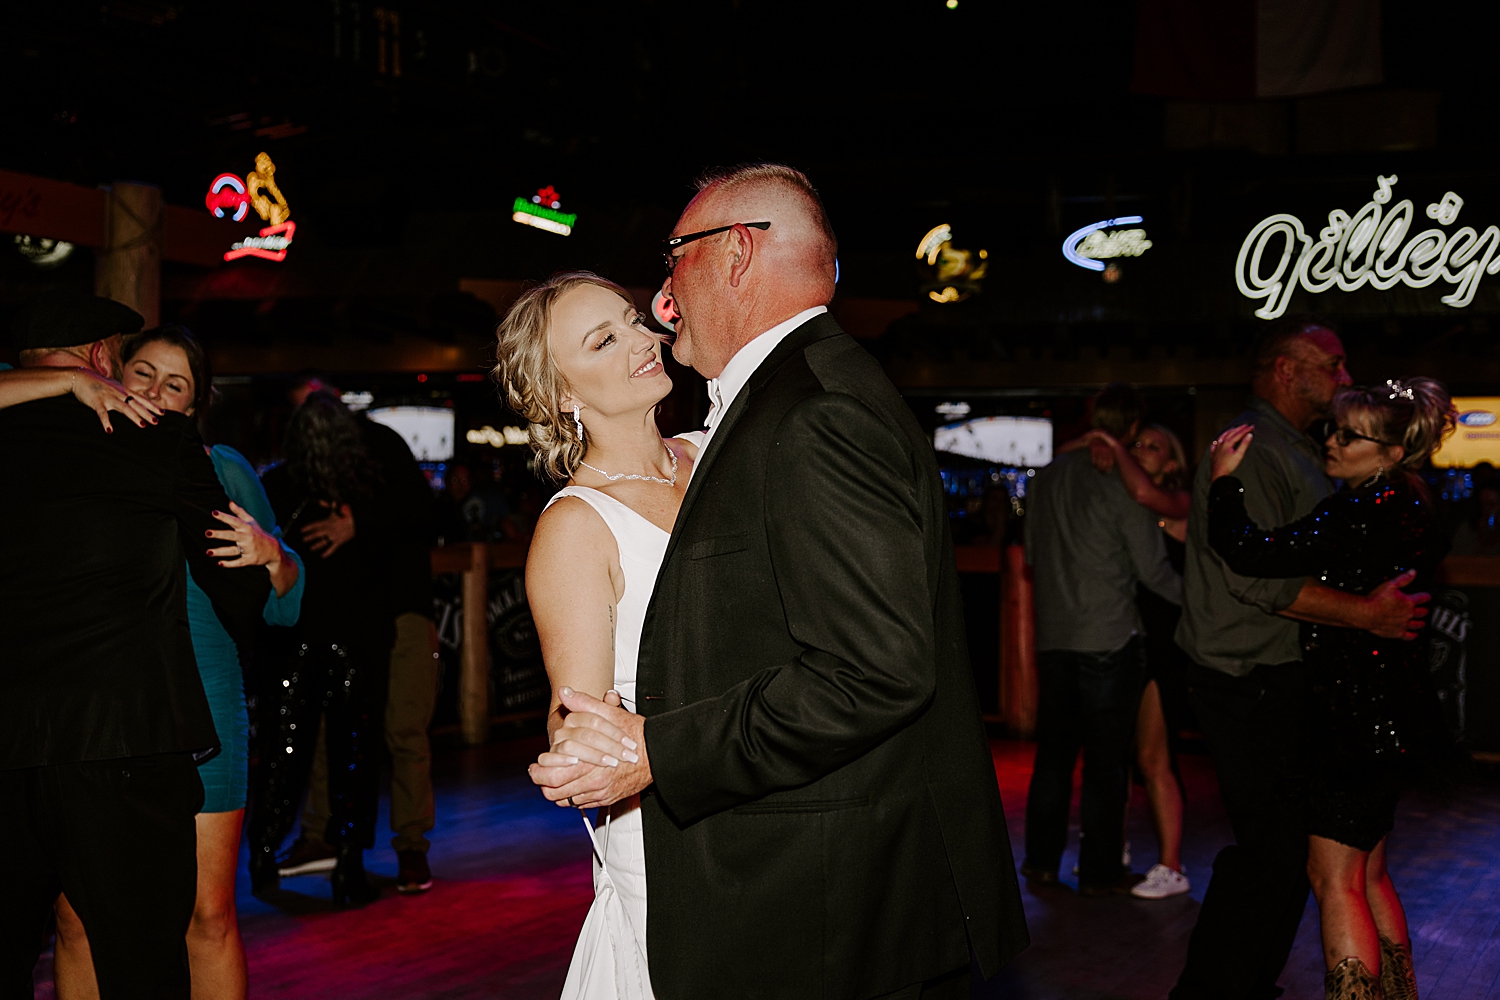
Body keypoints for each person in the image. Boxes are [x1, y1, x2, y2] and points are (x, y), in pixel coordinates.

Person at [529, 163, 1028, 999]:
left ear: (733, 256)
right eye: (604, 338)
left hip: (807, 869)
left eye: (673, 261)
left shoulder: (797, 417)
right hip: (718, 850)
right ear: (561, 395)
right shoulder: (753, 420)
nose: (657, 310)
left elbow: (873, 668)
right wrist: (596, 744)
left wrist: (658, 749)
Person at [0, 325, 304, 999]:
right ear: (109, 370)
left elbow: (283, 605)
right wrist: (63, 381)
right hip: (105, 728)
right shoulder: (65, 446)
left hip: (202, 710)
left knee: (206, 915)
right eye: (144, 374)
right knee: (75, 920)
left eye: (177, 386)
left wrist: (274, 557)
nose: (156, 393)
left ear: (195, 407)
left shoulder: (219, 468)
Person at [1170, 320, 1432, 1000]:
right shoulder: (1261, 451)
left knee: (1311, 865)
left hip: (1329, 697)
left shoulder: (1318, 466)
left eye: (1352, 435)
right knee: (1292, 860)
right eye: (1334, 364)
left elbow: (1269, 557)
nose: (1346, 377)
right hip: (1255, 681)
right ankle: (1220, 988)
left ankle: (1237, 984)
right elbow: (1254, 576)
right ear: (1287, 370)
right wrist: (1368, 616)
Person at [495, 270, 701, 997]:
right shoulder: (577, 525)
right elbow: (572, 706)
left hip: (756, 774)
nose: (643, 340)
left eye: (634, 320)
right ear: (564, 398)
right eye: (604, 340)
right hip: (660, 817)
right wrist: (574, 744)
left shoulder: (712, 453)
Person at [1022, 383, 1182, 895]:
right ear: (1132, 427)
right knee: (1105, 764)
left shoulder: (1045, 480)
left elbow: (1030, 557)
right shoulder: (1121, 481)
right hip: (1110, 638)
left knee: (1052, 759)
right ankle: (1099, 869)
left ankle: (1042, 863)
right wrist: (1210, 601)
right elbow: (1154, 572)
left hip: (1054, 637)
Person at [280, 395, 443, 895]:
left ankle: (411, 847)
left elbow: (423, 513)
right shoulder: (303, 464)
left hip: (404, 613)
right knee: (333, 728)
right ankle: (319, 837)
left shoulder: (381, 445)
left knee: (405, 731)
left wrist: (358, 524)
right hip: (348, 621)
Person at [250, 391, 394, 906]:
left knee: (283, 752)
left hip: (293, 641)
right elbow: (406, 547)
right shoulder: (372, 489)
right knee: (353, 752)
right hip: (357, 637)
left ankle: (263, 855)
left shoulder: (276, 486)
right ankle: (347, 863)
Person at [1063, 422, 1195, 899]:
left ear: (1173, 462)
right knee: (1112, 754)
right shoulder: (1122, 497)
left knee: (1153, 757)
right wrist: (1090, 442)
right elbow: (1060, 463)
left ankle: (1172, 866)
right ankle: (1110, 848)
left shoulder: (1180, 502)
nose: (1141, 452)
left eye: (1153, 447)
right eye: (1137, 444)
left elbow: (1143, 493)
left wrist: (1112, 445)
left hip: (1169, 642)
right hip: (1130, 638)